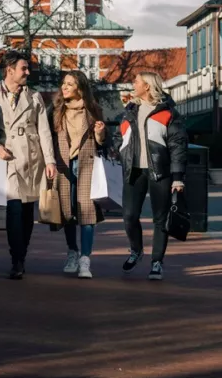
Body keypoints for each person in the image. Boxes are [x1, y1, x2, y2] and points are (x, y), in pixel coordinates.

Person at [113, 72, 188, 281]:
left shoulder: (168, 113)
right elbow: (119, 137)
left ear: (147, 86)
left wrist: (178, 177)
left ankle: (157, 262)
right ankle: (136, 251)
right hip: (134, 171)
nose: (133, 84)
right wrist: (119, 148)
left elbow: (178, 146)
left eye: (136, 81)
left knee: (160, 219)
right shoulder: (129, 111)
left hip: (160, 171)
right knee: (129, 215)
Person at [0, 50, 56, 280]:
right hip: (8, 159)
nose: (28, 72)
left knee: (27, 211)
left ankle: (22, 254)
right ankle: (16, 258)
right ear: (10, 70)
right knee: (14, 209)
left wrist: (50, 160)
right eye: (23, 68)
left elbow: (44, 131)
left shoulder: (35, 98)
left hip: (31, 159)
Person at [51, 71, 106, 279]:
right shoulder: (56, 110)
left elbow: (103, 142)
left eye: (70, 84)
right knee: (67, 212)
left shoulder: (92, 110)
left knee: (87, 212)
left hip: (86, 166)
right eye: (64, 83)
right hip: (63, 167)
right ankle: (72, 251)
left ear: (80, 89)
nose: (64, 87)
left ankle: (85, 259)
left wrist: (100, 133)